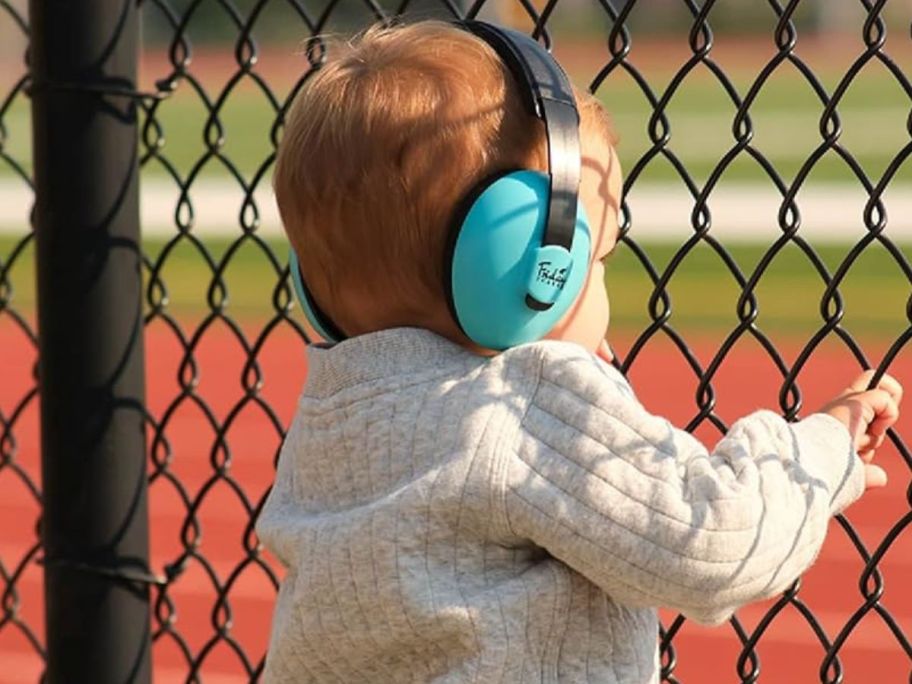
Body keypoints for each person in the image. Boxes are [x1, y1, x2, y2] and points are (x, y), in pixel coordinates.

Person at [256, 19, 902, 683]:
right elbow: (715, 541)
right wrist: (820, 451)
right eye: (599, 257)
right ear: (531, 271)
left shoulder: (331, 419)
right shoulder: (521, 401)